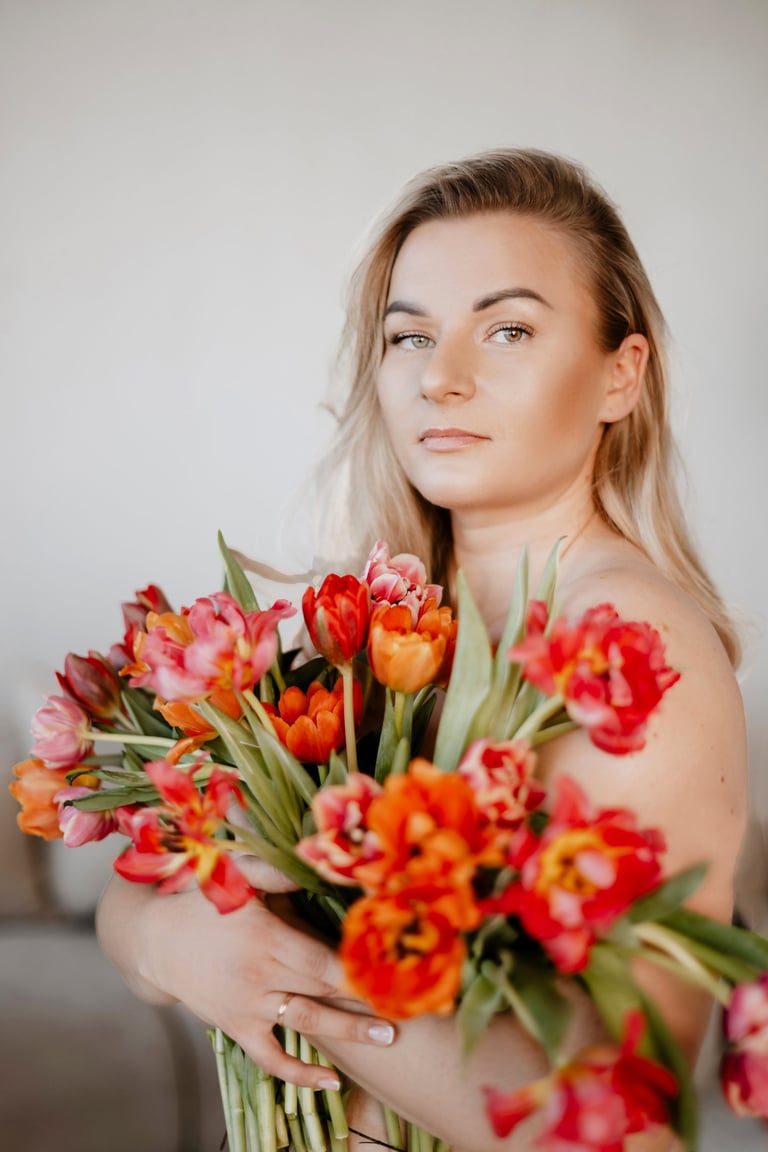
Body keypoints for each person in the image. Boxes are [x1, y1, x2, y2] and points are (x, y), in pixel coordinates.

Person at [96, 149, 748, 1151]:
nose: (442, 379)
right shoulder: (374, 616)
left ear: (621, 374)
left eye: (508, 330)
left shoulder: (624, 652)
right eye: (410, 337)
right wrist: (166, 939)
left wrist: (278, 976)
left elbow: (610, 1126)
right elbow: (140, 887)